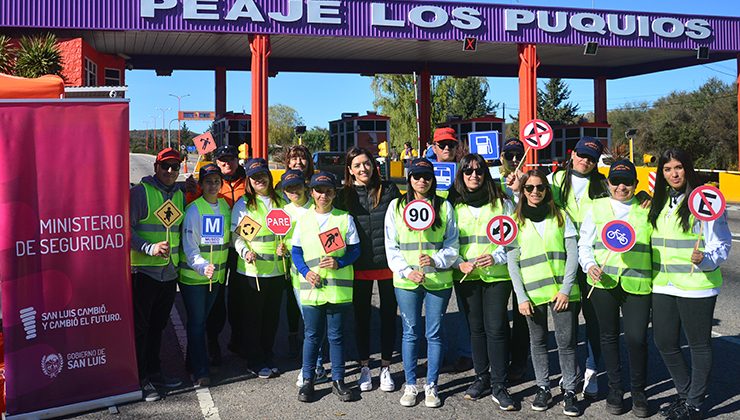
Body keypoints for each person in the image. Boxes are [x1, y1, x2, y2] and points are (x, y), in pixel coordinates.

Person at [648, 149, 731, 420]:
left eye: (679, 167)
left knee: (698, 344)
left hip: (697, 284)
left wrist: (705, 258)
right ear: (661, 173)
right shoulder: (658, 203)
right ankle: (686, 394)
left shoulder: (703, 200)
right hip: (663, 283)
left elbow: (722, 243)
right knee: (664, 342)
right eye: (668, 169)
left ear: (688, 168)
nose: (674, 173)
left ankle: (694, 404)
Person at [578, 160, 652, 417]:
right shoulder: (596, 208)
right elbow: (584, 245)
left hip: (637, 283)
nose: (622, 186)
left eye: (628, 182)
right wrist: (588, 265)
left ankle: (640, 392)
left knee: (637, 339)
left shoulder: (646, 208)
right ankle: (616, 390)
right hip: (603, 283)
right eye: (616, 181)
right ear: (608, 183)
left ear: (636, 184)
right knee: (608, 337)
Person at [384, 158, 459, 409]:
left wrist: (436, 260)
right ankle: (410, 384)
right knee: (410, 332)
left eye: (426, 176)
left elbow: (452, 244)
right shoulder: (396, 206)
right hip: (407, 282)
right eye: (416, 176)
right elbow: (391, 246)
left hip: (438, 280)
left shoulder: (445, 207)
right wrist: (406, 271)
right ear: (410, 178)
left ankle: (431, 385)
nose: (422, 180)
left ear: (432, 179)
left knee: (434, 333)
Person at [508, 169, 581, 417]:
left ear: (547, 190)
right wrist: (521, 297)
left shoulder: (561, 216)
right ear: (523, 191)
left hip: (562, 292)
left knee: (566, 343)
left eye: (540, 187)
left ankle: (570, 390)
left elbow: (573, 254)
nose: (535, 192)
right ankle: (543, 387)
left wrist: (566, 290)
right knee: (537, 342)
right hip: (532, 293)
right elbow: (512, 262)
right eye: (529, 188)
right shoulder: (515, 220)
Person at [452, 154, 517, 410]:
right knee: (476, 329)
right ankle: (481, 377)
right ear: (461, 174)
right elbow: (447, 242)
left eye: (479, 170)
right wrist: (458, 262)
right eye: (468, 170)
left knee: (496, 328)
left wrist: (497, 256)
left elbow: (512, 239)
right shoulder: (453, 205)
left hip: (496, 276)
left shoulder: (502, 204)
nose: (474, 175)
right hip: (467, 275)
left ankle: (500, 385)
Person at [336, 147, 401, 393]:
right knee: (361, 318)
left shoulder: (390, 189)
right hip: (358, 266)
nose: (363, 169)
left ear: (373, 164)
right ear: (350, 170)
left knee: (387, 317)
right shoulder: (344, 195)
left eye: (366, 163)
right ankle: (364, 366)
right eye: (357, 165)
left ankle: (385, 367)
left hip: (387, 265)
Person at [292, 172, 361, 403]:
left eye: (329, 190)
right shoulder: (303, 220)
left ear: (335, 193)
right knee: (312, 336)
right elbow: (296, 252)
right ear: (311, 192)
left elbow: (355, 250)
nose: (324, 195)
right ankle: (308, 381)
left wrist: (339, 262)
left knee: (336, 337)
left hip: (337, 289)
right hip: (312, 287)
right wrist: (306, 272)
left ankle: (339, 381)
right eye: (319, 190)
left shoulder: (344, 218)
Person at [548, 136, 608, 399]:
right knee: (567, 320)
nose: (586, 161)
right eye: (582, 155)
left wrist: (641, 196)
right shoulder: (556, 180)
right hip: (563, 259)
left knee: (593, 319)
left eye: (592, 159)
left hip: (592, 260)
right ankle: (569, 369)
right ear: (573, 154)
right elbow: (530, 199)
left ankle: (592, 369)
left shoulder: (603, 185)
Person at [130, 147, 185, 402]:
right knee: (141, 329)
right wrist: (149, 248)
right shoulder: (140, 194)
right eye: (166, 166)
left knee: (158, 328)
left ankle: (154, 371)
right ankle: (141, 378)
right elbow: (125, 231)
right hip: (144, 273)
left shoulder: (179, 195)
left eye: (175, 167)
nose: (170, 171)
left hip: (168, 274)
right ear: (156, 168)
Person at [185, 144, 247, 366]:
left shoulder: (247, 182)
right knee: (216, 302)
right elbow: (191, 210)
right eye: (222, 160)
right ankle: (211, 344)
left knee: (240, 298)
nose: (226, 163)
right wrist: (188, 189)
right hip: (213, 254)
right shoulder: (204, 191)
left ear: (237, 161)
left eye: (230, 159)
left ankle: (238, 341)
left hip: (237, 248)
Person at [231, 158, 287, 379]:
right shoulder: (244, 204)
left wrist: (287, 247)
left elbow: (290, 232)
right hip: (252, 272)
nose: (259, 180)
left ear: (269, 176)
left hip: (277, 270)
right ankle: (254, 360)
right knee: (254, 318)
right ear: (249, 181)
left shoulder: (281, 201)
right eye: (254, 177)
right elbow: (237, 236)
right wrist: (245, 252)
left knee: (271, 318)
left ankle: (268, 354)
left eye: (262, 175)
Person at [179, 164, 231, 388]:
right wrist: (202, 266)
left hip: (216, 278)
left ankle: (191, 362)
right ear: (201, 185)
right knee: (197, 324)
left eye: (216, 181)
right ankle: (201, 370)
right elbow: (190, 248)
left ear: (221, 184)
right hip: (194, 278)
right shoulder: (194, 210)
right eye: (208, 181)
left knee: (201, 323)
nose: (212, 185)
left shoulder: (226, 208)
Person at [281, 169, 330, 387]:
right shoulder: (282, 212)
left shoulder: (318, 206)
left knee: (317, 324)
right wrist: (280, 249)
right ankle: (315, 366)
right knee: (310, 323)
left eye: (297, 186)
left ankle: (315, 366)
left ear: (305, 186)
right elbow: (279, 240)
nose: (294, 190)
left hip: (323, 274)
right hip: (298, 275)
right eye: (289, 187)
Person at [431, 126, 472, 373]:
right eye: (442, 145)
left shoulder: (466, 172)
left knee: (465, 308)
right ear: (433, 147)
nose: (447, 148)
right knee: (437, 311)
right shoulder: (424, 173)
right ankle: (441, 354)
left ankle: (468, 354)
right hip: (433, 254)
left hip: (462, 251)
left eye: (451, 145)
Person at [498, 138, 531, 382]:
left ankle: (519, 362)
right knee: (497, 315)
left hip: (524, 253)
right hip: (499, 255)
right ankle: (498, 359)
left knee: (522, 313)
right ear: (501, 156)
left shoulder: (532, 180)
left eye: (518, 154)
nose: (513, 158)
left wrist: (520, 189)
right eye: (509, 154)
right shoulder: (490, 177)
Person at [281, 144, 315, 352]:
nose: (298, 162)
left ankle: (313, 341)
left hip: (313, 256)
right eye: (294, 158)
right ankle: (294, 335)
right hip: (288, 258)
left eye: (302, 158)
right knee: (292, 300)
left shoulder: (317, 186)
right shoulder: (280, 188)